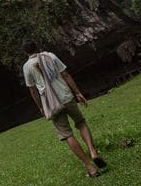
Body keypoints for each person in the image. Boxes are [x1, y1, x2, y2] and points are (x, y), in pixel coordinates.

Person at [21, 40, 107, 178]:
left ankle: (90, 167)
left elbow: (33, 91)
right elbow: (65, 75)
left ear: (25, 52)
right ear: (37, 47)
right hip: (66, 96)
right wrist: (78, 92)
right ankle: (93, 152)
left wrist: (41, 107)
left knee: (67, 134)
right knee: (81, 123)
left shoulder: (27, 67)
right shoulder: (50, 56)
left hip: (51, 104)